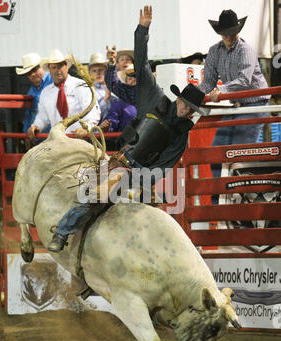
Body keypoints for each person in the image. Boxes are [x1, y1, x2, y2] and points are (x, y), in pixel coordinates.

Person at [47, 5, 205, 253]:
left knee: (149, 216)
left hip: (142, 174)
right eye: (189, 107)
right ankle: (62, 231)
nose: (190, 112)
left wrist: (142, 181)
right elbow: (141, 62)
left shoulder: (181, 135)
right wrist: (143, 30)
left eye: (194, 110)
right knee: (98, 195)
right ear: (180, 101)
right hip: (124, 160)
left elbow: (164, 166)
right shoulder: (154, 96)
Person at [198, 9, 270, 197]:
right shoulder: (214, 51)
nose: (229, 36)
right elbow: (208, 83)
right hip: (238, 105)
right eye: (226, 32)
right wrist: (191, 95)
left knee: (239, 152)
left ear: (238, 30)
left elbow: (244, 80)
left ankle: (242, 196)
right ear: (220, 32)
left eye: (232, 31)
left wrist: (221, 90)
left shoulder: (246, 49)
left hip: (256, 103)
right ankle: (220, 195)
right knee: (217, 150)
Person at [27, 49, 101, 140]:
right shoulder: (46, 92)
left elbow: (93, 112)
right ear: (49, 70)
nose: (58, 70)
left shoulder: (81, 86)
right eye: (54, 67)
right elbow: (43, 116)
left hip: (80, 140)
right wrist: (36, 126)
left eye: (60, 66)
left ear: (66, 67)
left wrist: (86, 128)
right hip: (58, 141)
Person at [16, 53, 53, 137]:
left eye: (35, 69)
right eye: (28, 73)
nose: (32, 74)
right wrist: (26, 134)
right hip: (40, 137)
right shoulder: (31, 90)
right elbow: (28, 114)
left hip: (53, 137)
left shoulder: (54, 81)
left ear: (42, 67)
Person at [87, 52, 117, 124]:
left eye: (100, 70)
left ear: (106, 71)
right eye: (94, 71)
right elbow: (92, 116)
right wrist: (106, 98)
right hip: (98, 132)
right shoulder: (88, 91)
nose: (98, 73)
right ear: (90, 74)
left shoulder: (116, 86)